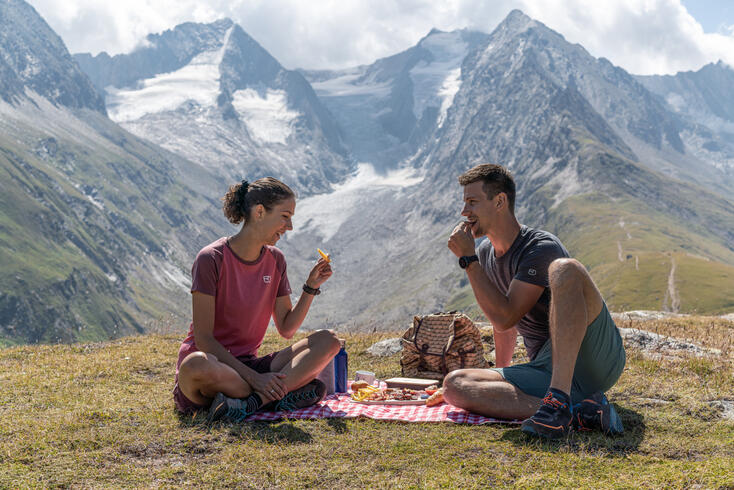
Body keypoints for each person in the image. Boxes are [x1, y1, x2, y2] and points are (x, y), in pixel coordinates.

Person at [444, 163, 626, 439]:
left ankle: (559, 401)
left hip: (594, 354)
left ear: (500, 202)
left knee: (565, 268)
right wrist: (499, 373)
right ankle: (580, 413)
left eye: (472, 202)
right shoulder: (485, 255)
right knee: (455, 384)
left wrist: (468, 261)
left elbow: (507, 316)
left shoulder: (539, 248)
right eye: (464, 203)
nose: (464, 212)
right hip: (545, 368)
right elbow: (503, 325)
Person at [173, 177, 341, 423]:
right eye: (285, 216)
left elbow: (286, 328)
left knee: (329, 340)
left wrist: (310, 288)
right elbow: (204, 340)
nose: (290, 226)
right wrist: (255, 378)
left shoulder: (276, 260)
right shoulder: (211, 259)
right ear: (260, 212)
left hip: (249, 367)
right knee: (195, 364)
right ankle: (278, 394)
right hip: (214, 369)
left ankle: (252, 403)